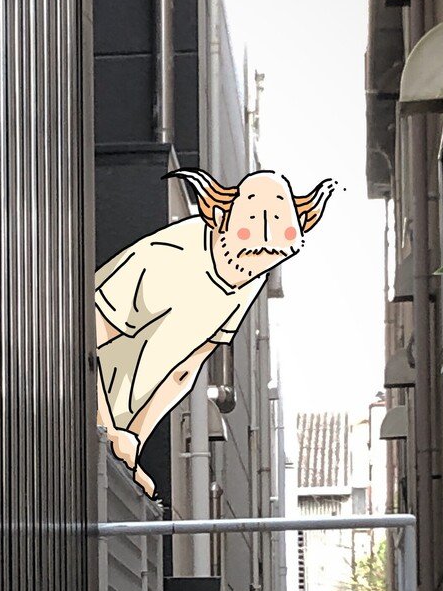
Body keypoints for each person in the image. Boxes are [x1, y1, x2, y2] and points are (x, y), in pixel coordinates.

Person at [95, 166, 336, 497]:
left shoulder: (251, 277)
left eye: (274, 254)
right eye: (248, 244)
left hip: (117, 419)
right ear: (220, 217)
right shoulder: (171, 256)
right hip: (64, 391)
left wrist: (132, 437)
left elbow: (185, 367)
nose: (256, 265)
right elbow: (93, 323)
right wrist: (106, 423)